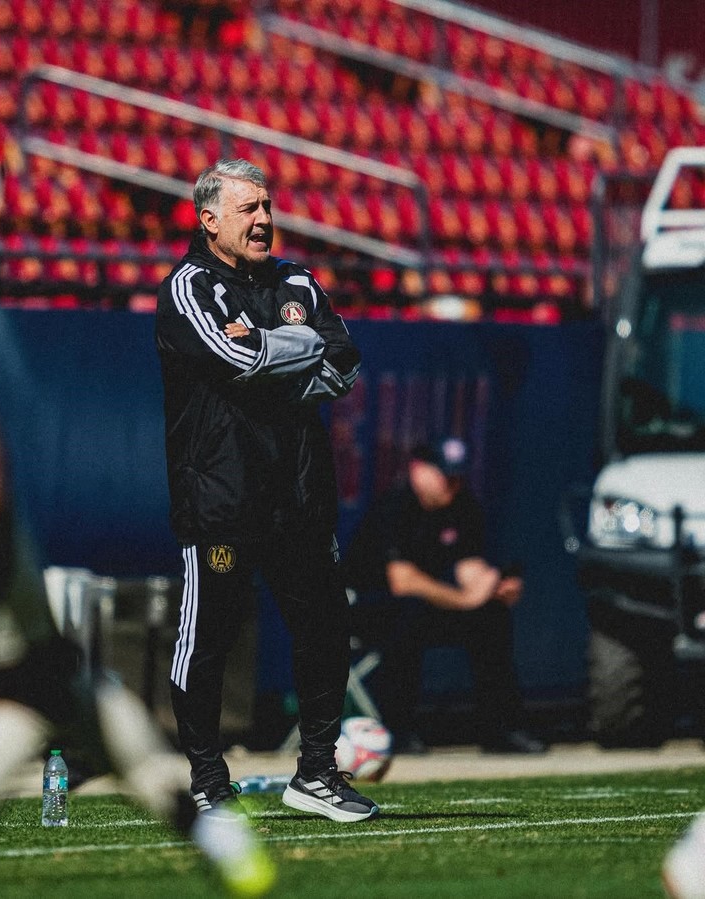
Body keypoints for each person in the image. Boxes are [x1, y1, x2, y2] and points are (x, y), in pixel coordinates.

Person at [155, 158, 378, 823]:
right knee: (210, 636)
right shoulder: (191, 286)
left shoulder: (296, 279)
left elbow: (345, 361)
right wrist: (299, 346)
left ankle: (315, 772)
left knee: (325, 626)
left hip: (298, 493)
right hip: (222, 496)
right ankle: (206, 780)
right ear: (210, 218)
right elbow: (237, 359)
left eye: (268, 206)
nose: (263, 220)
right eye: (248, 208)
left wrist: (278, 348)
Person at [0, 393, 275, 897]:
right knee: (145, 766)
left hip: (34, 685)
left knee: (148, 769)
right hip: (44, 687)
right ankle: (220, 837)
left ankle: (221, 838)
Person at [344, 436, 547, 755]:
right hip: (365, 611)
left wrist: (492, 586)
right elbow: (403, 582)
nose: (452, 484)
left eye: (457, 476)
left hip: (424, 608)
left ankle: (501, 730)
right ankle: (399, 730)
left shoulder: (462, 505)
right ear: (418, 470)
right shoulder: (394, 505)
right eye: (445, 475)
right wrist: (466, 600)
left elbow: (470, 570)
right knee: (408, 614)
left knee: (490, 616)